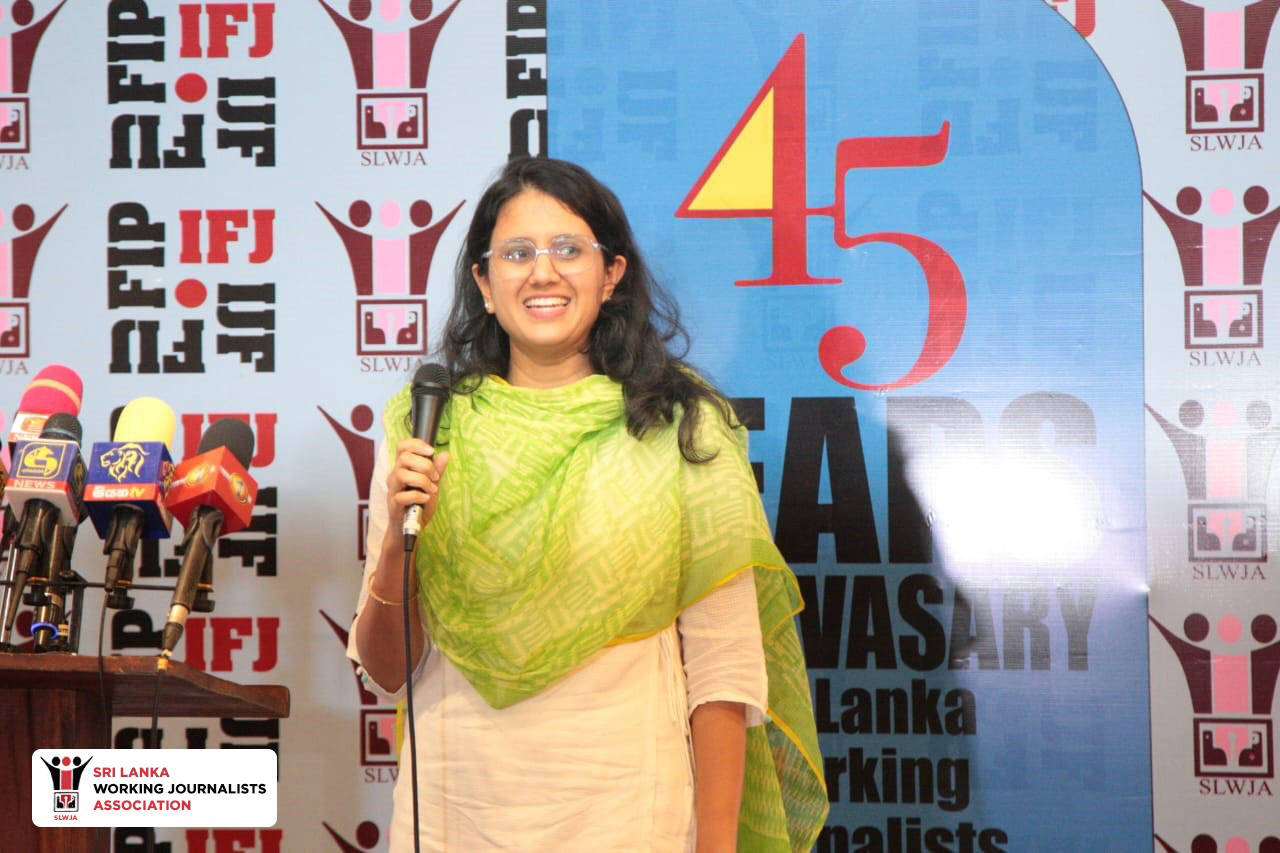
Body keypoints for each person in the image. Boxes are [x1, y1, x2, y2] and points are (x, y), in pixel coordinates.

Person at [347, 157, 826, 851]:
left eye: (569, 249)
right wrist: (398, 539)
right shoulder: (426, 428)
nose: (542, 272)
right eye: (517, 253)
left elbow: (723, 669)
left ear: (611, 275)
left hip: (629, 814)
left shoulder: (682, 428)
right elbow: (386, 669)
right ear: (484, 284)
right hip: (455, 813)